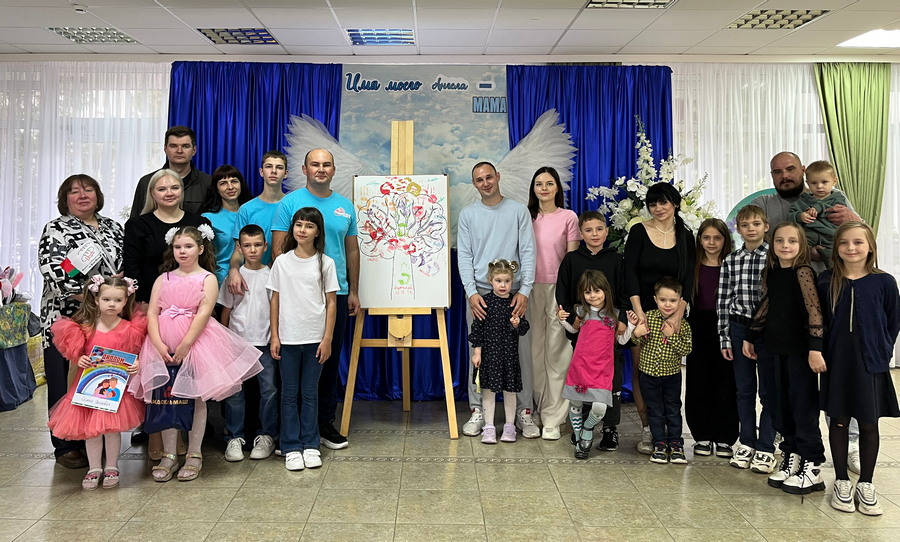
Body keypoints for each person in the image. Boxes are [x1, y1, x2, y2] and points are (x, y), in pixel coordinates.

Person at [130, 226, 263, 482]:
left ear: (201, 249)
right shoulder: (163, 278)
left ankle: (194, 453)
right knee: (166, 397)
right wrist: (157, 343)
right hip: (162, 343)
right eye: (178, 247)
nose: (182, 251)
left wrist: (186, 344)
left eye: (188, 246)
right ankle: (169, 454)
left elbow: (204, 312)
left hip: (196, 343)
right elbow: (152, 312)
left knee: (196, 398)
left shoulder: (207, 278)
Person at [271, 149, 358, 450]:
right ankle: (291, 430)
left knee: (328, 360)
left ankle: (323, 423)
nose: (321, 169)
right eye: (315, 164)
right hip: (296, 298)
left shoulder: (345, 206)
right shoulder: (289, 203)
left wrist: (354, 290)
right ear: (305, 169)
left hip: (336, 294)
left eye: (326, 165)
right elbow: (278, 249)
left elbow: (352, 250)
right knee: (292, 367)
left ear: (334, 170)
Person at [38, 174, 124, 469]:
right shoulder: (57, 228)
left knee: (99, 377)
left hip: (107, 317)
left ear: (98, 196)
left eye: (88, 190)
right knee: (64, 379)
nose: (82, 195)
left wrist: (114, 296)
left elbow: (123, 266)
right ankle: (66, 444)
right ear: (65, 199)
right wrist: (91, 295)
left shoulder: (113, 227)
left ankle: (96, 437)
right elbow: (55, 273)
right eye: (74, 192)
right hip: (67, 316)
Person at [818, 222, 900, 515]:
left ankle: (866, 482)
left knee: (868, 422)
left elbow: (892, 321)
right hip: (837, 362)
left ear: (870, 247)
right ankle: (841, 480)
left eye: (858, 242)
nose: (851, 248)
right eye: (844, 243)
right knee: (838, 421)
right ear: (836, 247)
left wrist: (881, 350)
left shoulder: (884, 282)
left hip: (870, 363)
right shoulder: (826, 281)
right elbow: (819, 321)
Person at [743, 222, 826, 495]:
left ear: (801, 245)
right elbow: (766, 305)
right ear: (772, 243)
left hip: (799, 352)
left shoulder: (803, 272)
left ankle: (812, 463)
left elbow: (814, 310)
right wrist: (750, 335)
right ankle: (792, 455)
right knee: (780, 406)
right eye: (780, 240)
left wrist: (815, 347)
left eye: (792, 241)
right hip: (774, 349)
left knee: (802, 407)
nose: (785, 246)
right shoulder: (772, 272)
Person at [457, 161, 538, 439]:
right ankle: (478, 410)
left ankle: (524, 412)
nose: (485, 183)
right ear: (474, 184)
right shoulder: (468, 215)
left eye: (489, 177)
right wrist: (471, 292)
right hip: (480, 294)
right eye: (479, 180)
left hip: (514, 294)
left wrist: (524, 290)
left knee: (520, 353)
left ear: (498, 176)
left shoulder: (517, 210)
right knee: (478, 353)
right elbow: (464, 256)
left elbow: (528, 251)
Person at [47, 275, 146, 489]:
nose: (112, 304)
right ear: (96, 299)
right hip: (87, 388)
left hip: (114, 390)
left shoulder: (130, 328)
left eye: (118, 300)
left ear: (126, 301)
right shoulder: (85, 327)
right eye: (106, 299)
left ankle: (111, 466)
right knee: (90, 431)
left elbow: (135, 353)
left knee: (111, 429)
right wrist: (80, 358)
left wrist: (136, 364)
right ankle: (94, 468)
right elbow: (76, 354)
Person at [624, 182, 695, 454]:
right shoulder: (638, 231)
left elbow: (688, 276)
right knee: (642, 370)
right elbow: (630, 272)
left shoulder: (685, 235)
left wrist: (678, 314)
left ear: (675, 203)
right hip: (641, 308)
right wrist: (639, 312)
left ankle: (670, 430)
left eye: (663, 202)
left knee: (669, 369)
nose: (658, 208)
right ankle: (647, 428)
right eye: (652, 204)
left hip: (672, 311)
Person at [268, 208, 339, 471]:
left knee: (310, 393)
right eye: (298, 224)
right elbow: (275, 300)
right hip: (288, 339)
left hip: (315, 339)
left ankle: (311, 444)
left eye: (309, 226)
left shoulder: (326, 263)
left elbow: (331, 304)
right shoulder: (282, 262)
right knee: (288, 394)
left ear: (318, 232)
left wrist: (327, 338)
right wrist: (275, 336)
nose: (302, 230)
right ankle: (291, 446)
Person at [556, 211, 629, 451]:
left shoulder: (616, 259)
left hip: (610, 331)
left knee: (612, 380)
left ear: (607, 232)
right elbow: (563, 294)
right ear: (580, 233)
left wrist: (622, 319)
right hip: (584, 333)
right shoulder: (572, 260)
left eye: (599, 229)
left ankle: (610, 429)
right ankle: (582, 430)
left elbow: (625, 291)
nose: (594, 234)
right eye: (588, 230)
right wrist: (573, 319)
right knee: (583, 379)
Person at [717, 205, 777, 473]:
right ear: (738, 229)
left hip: (767, 331)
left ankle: (766, 446)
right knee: (744, 389)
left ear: (766, 226)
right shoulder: (731, 260)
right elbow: (723, 301)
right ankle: (747, 441)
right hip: (739, 327)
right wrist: (724, 337)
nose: (751, 229)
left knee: (768, 391)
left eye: (756, 224)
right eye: (745, 225)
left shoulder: (774, 257)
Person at [526, 167, 580, 441]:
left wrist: (567, 297)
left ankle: (554, 418)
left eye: (549, 183)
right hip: (529, 289)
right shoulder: (526, 217)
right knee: (534, 354)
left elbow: (572, 261)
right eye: (539, 184)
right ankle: (536, 410)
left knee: (557, 354)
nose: (544, 188)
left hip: (559, 290)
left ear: (557, 187)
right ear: (533, 189)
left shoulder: (569, 217)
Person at [558, 270, 633, 460]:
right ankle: (579, 437)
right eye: (587, 292)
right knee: (575, 402)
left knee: (600, 407)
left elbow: (621, 341)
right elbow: (573, 330)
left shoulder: (615, 315)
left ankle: (587, 428)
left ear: (606, 291)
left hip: (602, 369)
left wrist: (631, 326)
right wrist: (562, 320)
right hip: (580, 365)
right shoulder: (580, 312)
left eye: (597, 291)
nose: (593, 296)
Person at [219, 225, 277, 462]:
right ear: (240, 248)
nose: (253, 250)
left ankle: (266, 435)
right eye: (247, 245)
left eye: (257, 245)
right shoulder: (233, 278)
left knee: (269, 390)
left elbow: (276, 310)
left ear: (265, 246)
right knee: (235, 392)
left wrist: (275, 338)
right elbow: (226, 311)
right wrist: (224, 341)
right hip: (237, 344)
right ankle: (234, 437)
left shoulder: (272, 275)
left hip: (265, 343)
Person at [686, 218, 738, 458]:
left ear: (725, 240)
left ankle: (725, 436)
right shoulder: (692, 265)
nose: (712, 242)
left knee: (726, 380)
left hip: (726, 325)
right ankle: (702, 435)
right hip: (698, 324)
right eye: (706, 238)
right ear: (699, 240)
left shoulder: (733, 265)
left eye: (717, 238)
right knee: (699, 380)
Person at [628, 277, 693, 464]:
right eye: (663, 300)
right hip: (649, 375)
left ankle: (676, 445)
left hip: (671, 375)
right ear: (655, 299)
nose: (667, 304)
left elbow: (686, 350)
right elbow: (636, 341)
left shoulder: (682, 324)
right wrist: (636, 333)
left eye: (672, 300)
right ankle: (660, 445)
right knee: (655, 410)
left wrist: (672, 336)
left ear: (680, 301)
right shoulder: (648, 318)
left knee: (673, 409)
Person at [468, 260, 531, 445]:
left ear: (512, 282)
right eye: (498, 281)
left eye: (507, 281)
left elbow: (524, 328)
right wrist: (477, 353)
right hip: (490, 357)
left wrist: (517, 324)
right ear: (490, 280)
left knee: (510, 391)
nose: (503, 285)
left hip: (509, 356)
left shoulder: (514, 304)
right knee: (488, 391)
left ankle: (510, 426)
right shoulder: (485, 303)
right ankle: (489, 427)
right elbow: (477, 330)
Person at [226, 150, 288, 294]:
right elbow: (238, 251)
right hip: (253, 279)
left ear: (286, 174)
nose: (273, 171)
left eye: (279, 167)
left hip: (285, 279)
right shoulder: (246, 209)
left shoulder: (292, 206)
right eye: (268, 166)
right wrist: (234, 270)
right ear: (261, 172)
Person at [130, 126, 212, 218]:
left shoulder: (209, 183)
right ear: (165, 149)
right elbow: (135, 221)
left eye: (185, 146)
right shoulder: (147, 182)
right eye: (173, 146)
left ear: (194, 150)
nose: (179, 151)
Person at [788, 160, 847, 267]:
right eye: (814, 183)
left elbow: (835, 210)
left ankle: (836, 275)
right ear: (808, 183)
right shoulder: (803, 201)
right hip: (808, 236)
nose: (819, 186)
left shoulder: (838, 198)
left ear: (834, 181)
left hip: (830, 236)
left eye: (824, 182)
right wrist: (800, 216)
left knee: (835, 262)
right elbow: (790, 216)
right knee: (797, 254)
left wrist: (818, 207)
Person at [202, 165, 251, 287]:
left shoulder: (252, 212)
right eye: (223, 183)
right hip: (221, 280)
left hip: (252, 278)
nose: (230, 187)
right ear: (216, 189)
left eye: (234, 181)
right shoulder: (208, 218)